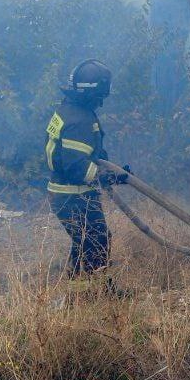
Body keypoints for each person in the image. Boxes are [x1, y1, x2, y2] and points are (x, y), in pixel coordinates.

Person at [45, 59, 128, 278]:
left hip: (71, 194)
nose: (102, 101)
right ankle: (91, 295)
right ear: (94, 93)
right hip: (73, 196)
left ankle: (87, 290)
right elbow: (76, 167)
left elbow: (90, 153)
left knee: (84, 241)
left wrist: (114, 173)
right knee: (95, 241)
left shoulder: (69, 110)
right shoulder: (79, 119)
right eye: (101, 95)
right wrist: (103, 177)